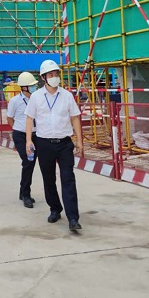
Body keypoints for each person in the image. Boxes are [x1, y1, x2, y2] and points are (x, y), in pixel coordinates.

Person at [25, 59, 84, 231]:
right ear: (43, 77)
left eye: (56, 74)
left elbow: (75, 117)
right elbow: (29, 118)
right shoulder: (36, 97)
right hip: (44, 143)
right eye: (51, 74)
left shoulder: (67, 96)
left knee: (68, 178)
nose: (54, 77)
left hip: (64, 143)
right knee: (48, 178)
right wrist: (28, 140)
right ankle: (55, 209)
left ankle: (73, 218)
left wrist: (79, 140)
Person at [6, 71, 39, 209]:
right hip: (20, 135)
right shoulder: (15, 101)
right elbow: (9, 118)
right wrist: (17, 130)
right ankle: (26, 194)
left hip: (36, 134)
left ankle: (22, 191)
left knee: (31, 163)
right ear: (24, 87)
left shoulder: (37, 98)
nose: (34, 87)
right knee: (27, 161)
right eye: (31, 86)